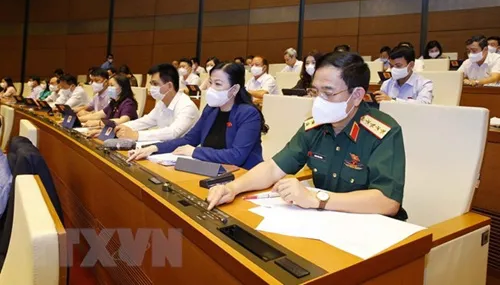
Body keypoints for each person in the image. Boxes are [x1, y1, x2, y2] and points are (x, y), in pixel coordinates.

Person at [206, 52, 407, 220]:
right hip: (326, 220)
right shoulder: (315, 127)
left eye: (328, 93)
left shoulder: (383, 131)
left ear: (356, 95)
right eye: (315, 92)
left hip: (370, 229)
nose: (319, 101)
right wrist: (233, 188)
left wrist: (317, 199)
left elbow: (388, 201)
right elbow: (273, 168)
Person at [127, 62, 268, 170]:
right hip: (211, 169)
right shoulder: (211, 109)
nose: (211, 89)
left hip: (242, 174)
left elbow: (236, 156)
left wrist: (195, 152)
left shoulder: (248, 113)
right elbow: (189, 139)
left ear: (235, 89)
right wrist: (153, 148)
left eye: (218, 84)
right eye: (211, 83)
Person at [115, 64, 199, 142]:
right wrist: (119, 127)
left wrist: (137, 135)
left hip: (183, 152)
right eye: (151, 84)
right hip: (166, 148)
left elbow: (173, 133)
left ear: (169, 86)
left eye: (155, 84)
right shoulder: (161, 103)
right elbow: (145, 121)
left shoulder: (187, 106)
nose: (152, 88)